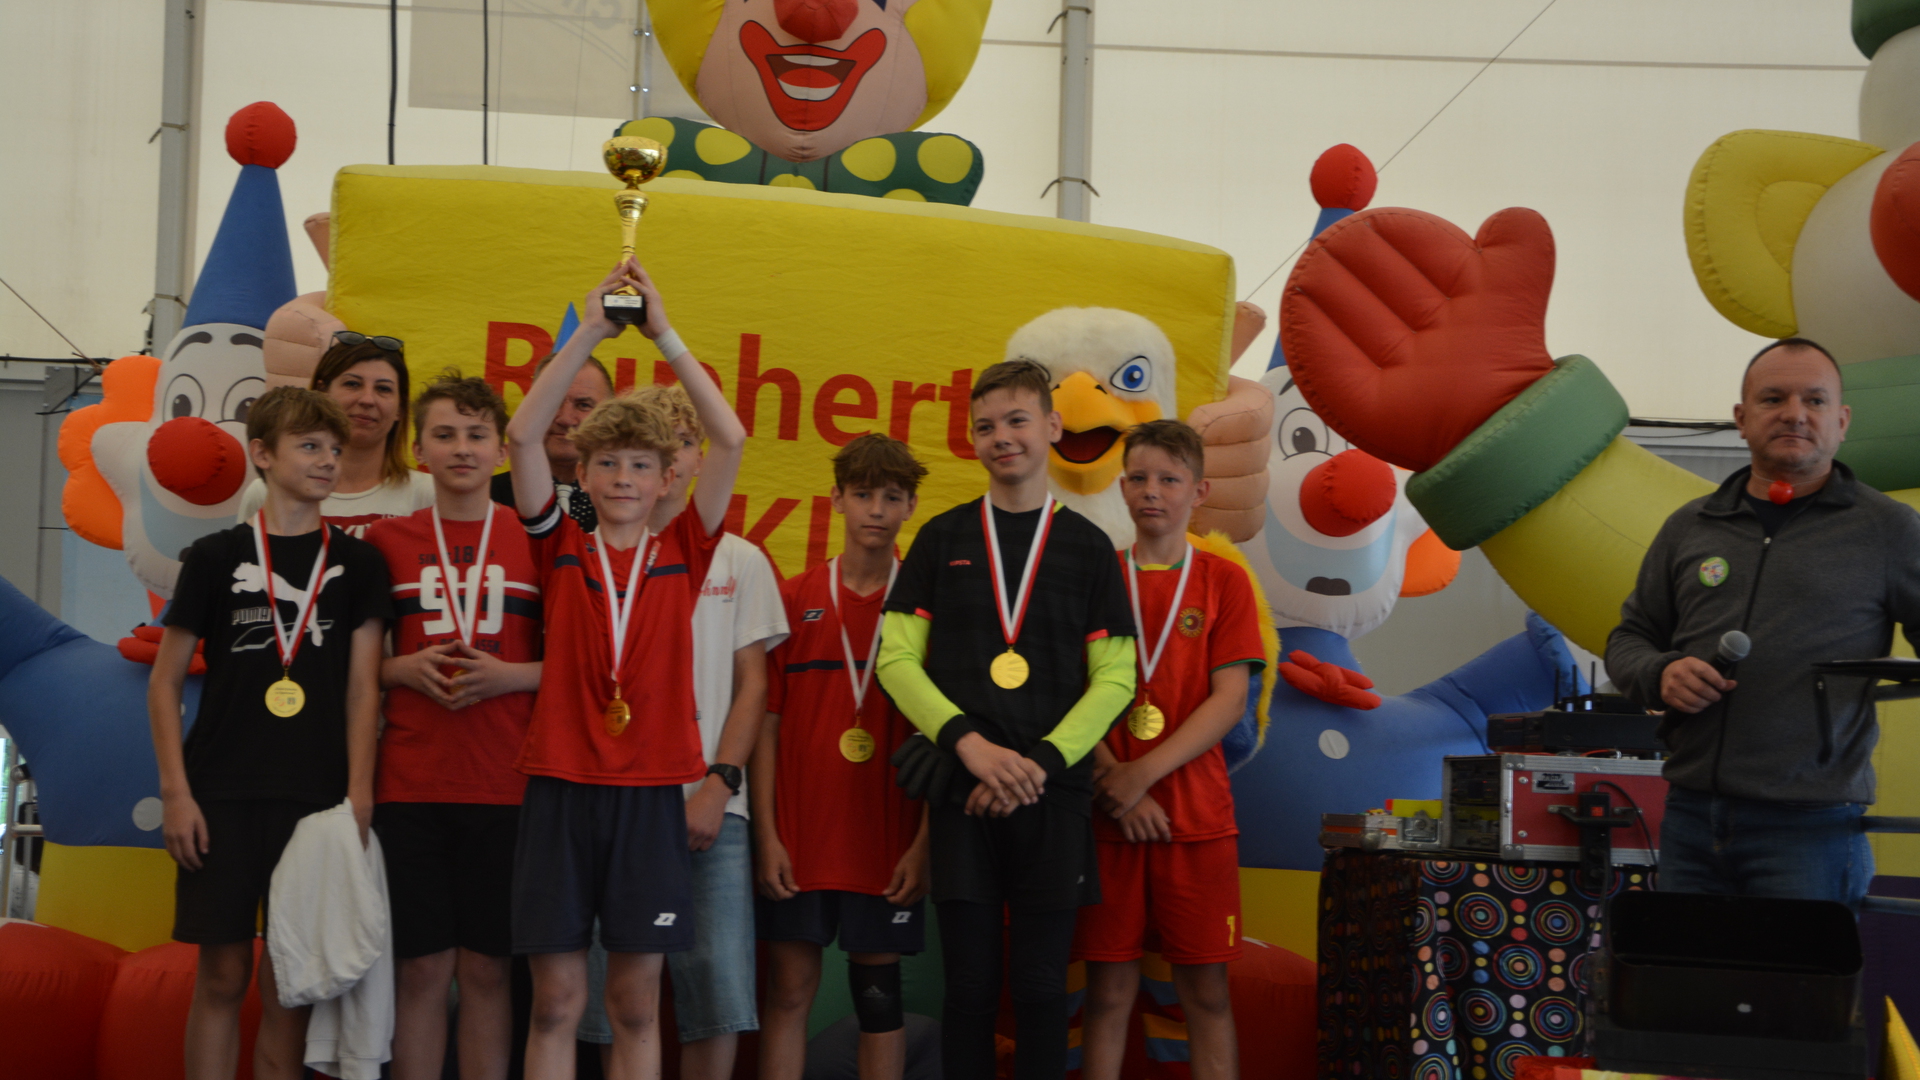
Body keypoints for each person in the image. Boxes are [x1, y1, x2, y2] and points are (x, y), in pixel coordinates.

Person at [502, 259, 745, 1080]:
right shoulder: (559, 544)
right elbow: (523, 436)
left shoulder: (686, 548)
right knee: (556, 1003)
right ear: (585, 473)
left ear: (667, 476)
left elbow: (730, 438)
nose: (624, 478)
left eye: (642, 464)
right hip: (561, 786)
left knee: (636, 1004)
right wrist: (592, 333)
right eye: (607, 463)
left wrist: (663, 332)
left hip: (649, 793)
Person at [875, 359, 1137, 1080]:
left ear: (1052, 426)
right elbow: (895, 659)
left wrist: (1040, 766)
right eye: (986, 426)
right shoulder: (942, 538)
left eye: (1018, 420)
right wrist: (971, 748)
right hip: (964, 792)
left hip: (1055, 796)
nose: (1003, 437)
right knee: (969, 987)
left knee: (1042, 987)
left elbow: (1116, 677)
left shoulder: (1088, 548)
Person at [1606, 337, 1920, 907]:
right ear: (1741, 418)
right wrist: (1660, 672)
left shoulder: (1889, 529)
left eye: (1815, 400)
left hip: (1812, 828)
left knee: (1800, 971)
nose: (1794, 414)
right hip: (1690, 816)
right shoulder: (1689, 526)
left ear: (1842, 421)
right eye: (1773, 399)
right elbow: (1630, 638)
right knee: (1683, 969)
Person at [148, 386, 392, 1080]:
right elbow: (165, 682)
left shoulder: (359, 564)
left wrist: (358, 795)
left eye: (334, 449)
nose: (327, 460)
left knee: (291, 984)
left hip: (315, 798)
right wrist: (176, 793)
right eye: (309, 446)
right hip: (220, 792)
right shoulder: (215, 557)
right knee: (223, 974)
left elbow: (363, 688)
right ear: (262, 453)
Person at [575, 382, 789, 1080]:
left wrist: (720, 785)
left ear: (694, 460)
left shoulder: (739, 558)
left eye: (684, 442)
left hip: (711, 804)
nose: (670, 456)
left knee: (717, 988)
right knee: (610, 989)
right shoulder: (590, 552)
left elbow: (753, 686)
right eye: (653, 443)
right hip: (615, 800)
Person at [364, 374, 545, 1080]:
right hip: (410, 786)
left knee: (488, 972)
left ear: (502, 449)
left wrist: (510, 677)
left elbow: (581, 665)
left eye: (477, 435)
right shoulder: (384, 540)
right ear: (418, 450)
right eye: (444, 435)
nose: (462, 448)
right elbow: (353, 668)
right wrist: (401, 669)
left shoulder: (542, 536)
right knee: (419, 970)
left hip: (506, 786)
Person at [1073, 420, 1265, 1080]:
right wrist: (1117, 787)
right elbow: (1071, 697)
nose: (1151, 491)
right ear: (1122, 487)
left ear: (1199, 491)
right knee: (1106, 993)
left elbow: (1230, 701)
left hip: (1196, 821)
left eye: (1169, 479)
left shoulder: (1224, 581)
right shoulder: (1096, 579)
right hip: (1109, 819)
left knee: (1205, 995)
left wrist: (1141, 776)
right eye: (1139, 478)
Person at [755, 434, 932, 1080]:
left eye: (892, 497)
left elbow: (943, 738)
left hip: (886, 843)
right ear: (836, 499)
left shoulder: (924, 609)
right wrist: (767, 836)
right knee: (788, 990)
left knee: (879, 1000)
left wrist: (924, 845)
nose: (876, 510)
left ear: (911, 506)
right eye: (862, 495)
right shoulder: (794, 597)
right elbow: (765, 727)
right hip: (800, 839)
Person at [239, 331, 435, 531]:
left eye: (383, 389)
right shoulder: (267, 491)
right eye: (353, 384)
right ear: (321, 392)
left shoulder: (428, 494)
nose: (367, 399)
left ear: (400, 408)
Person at [491, 351, 616, 532]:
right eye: (553, 402)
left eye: (583, 405)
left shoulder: (628, 500)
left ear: (609, 417)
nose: (565, 419)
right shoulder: (487, 498)